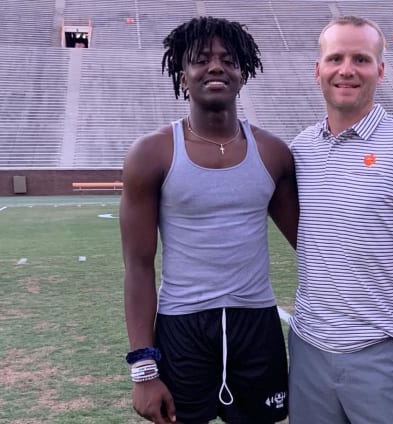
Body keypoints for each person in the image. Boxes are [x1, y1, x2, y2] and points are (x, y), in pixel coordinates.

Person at [119, 16, 298, 424]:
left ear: (243, 73)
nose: (216, 66)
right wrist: (144, 369)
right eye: (201, 60)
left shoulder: (272, 153)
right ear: (183, 77)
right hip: (182, 326)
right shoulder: (151, 154)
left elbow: (311, 245)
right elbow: (138, 267)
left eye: (229, 60)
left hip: (256, 323)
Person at [288, 15, 393, 424]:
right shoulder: (301, 149)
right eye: (335, 58)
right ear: (318, 71)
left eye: (361, 59)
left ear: (379, 70)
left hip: (384, 351)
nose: (346, 69)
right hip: (309, 347)